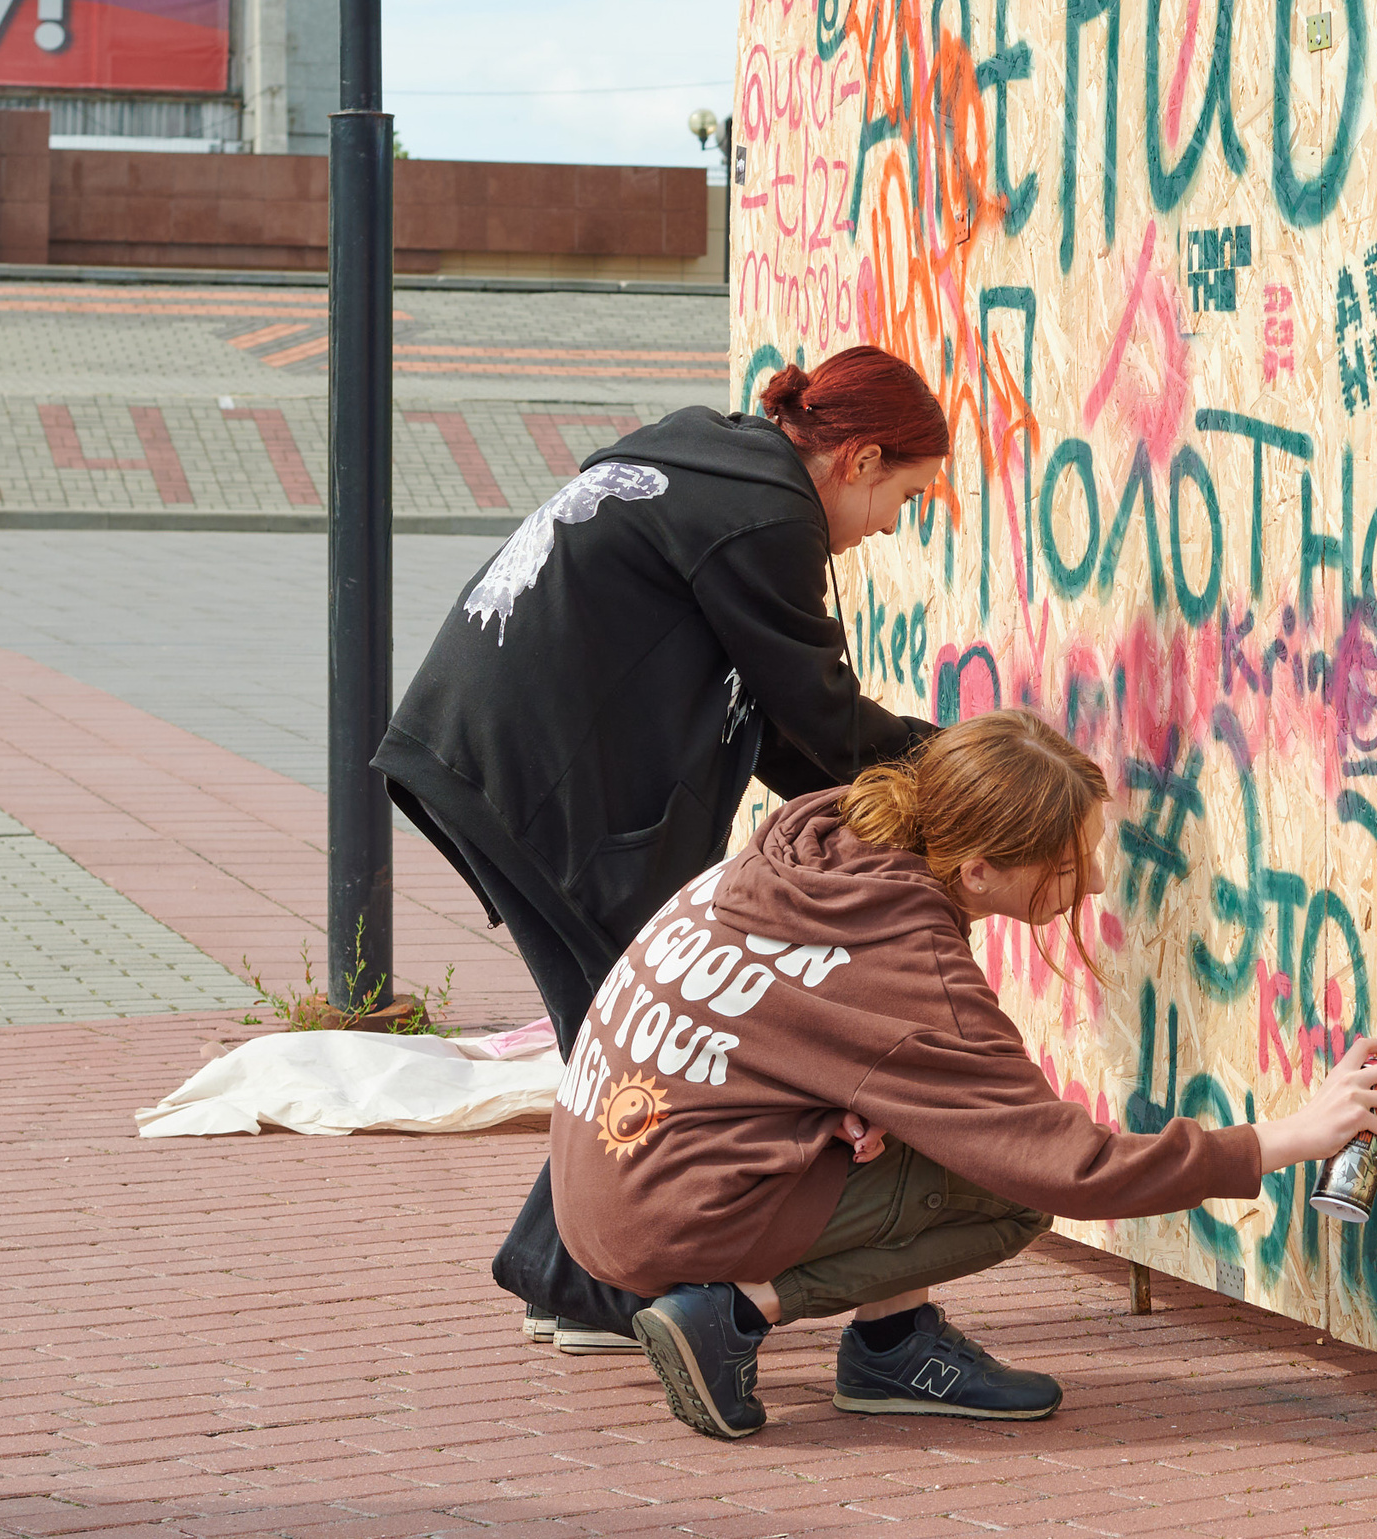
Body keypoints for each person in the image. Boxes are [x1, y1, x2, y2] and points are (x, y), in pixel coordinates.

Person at [549, 709, 1377, 1438]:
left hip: (595, 1176)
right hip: (659, 1215)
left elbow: (763, 1034)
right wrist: (1289, 1137)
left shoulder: (821, 848)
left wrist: (823, 1108)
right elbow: (1070, 1166)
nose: (1099, 879)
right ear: (979, 871)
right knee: (1007, 1188)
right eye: (1070, 865)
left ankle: (892, 1344)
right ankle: (732, 1313)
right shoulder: (909, 959)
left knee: (925, 1128)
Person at [374, 348, 950, 1347]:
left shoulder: (715, 463)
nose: (891, 526)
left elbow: (779, 732)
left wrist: (879, 794)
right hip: (533, 781)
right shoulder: (767, 517)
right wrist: (959, 767)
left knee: (622, 1029)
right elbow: (816, 715)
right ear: (857, 460)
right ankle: (583, 1283)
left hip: (484, 755)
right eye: (903, 497)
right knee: (657, 1036)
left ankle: (569, 1277)